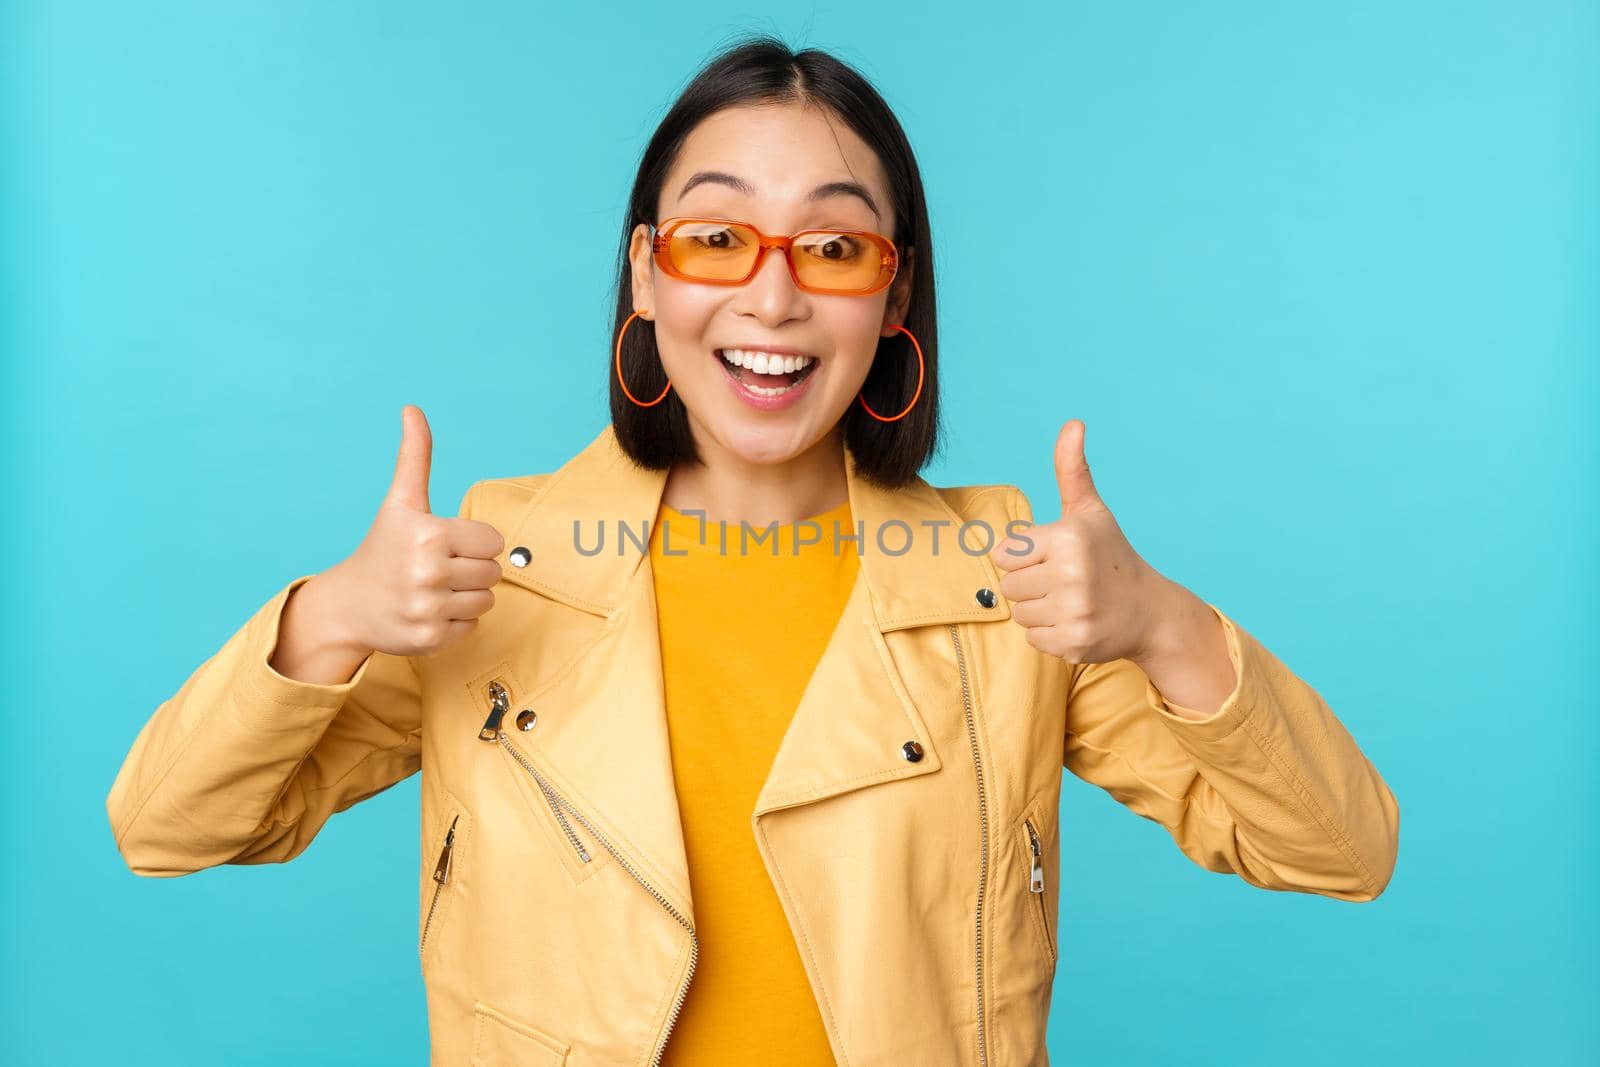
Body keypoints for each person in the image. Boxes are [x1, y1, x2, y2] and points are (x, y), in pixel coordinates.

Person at [106, 34, 1401, 1067]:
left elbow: (1342, 853)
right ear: (647, 276)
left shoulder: (1012, 584)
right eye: (715, 237)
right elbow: (165, 826)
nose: (771, 297)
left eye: (833, 247)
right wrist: (330, 618)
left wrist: (1166, 626)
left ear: (893, 296)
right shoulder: (492, 565)